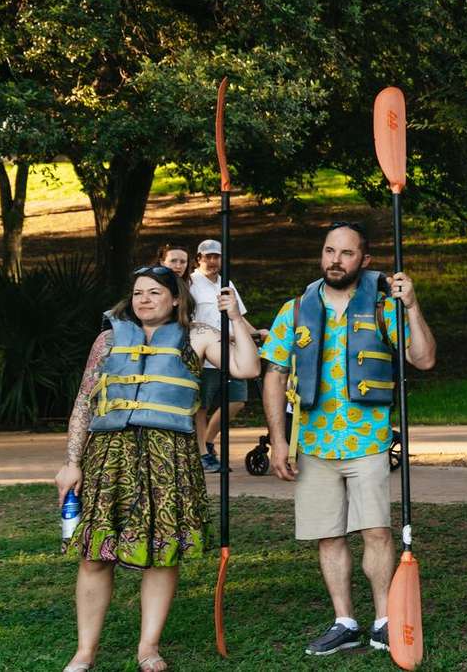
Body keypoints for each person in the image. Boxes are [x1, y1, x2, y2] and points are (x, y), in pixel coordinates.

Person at [56, 264, 260, 672]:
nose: (144, 300)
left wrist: (235, 317)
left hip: (170, 457)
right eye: (137, 293)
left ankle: (148, 648)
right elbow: (84, 402)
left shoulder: (198, 336)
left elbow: (247, 368)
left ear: (175, 298)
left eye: (153, 292)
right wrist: (71, 462)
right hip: (108, 456)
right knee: (95, 555)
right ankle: (84, 652)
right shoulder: (108, 339)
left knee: (162, 554)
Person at [259, 221, 437, 656]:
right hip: (313, 444)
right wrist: (278, 441)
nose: (334, 260)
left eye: (346, 253)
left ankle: (383, 620)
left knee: (375, 532)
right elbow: (274, 373)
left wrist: (411, 306)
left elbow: (424, 358)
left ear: (365, 260)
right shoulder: (296, 309)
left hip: (367, 441)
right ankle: (344, 621)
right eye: (328, 251)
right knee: (328, 535)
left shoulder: (383, 307)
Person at [191, 238, 257, 473]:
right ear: (198, 258)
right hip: (204, 356)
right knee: (201, 407)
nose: (212, 260)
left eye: (216, 256)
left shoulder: (226, 283)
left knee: (237, 400)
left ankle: (208, 441)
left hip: (231, 353)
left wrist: (256, 333)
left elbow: (237, 315)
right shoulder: (191, 283)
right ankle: (202, 454)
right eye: (207, 256)